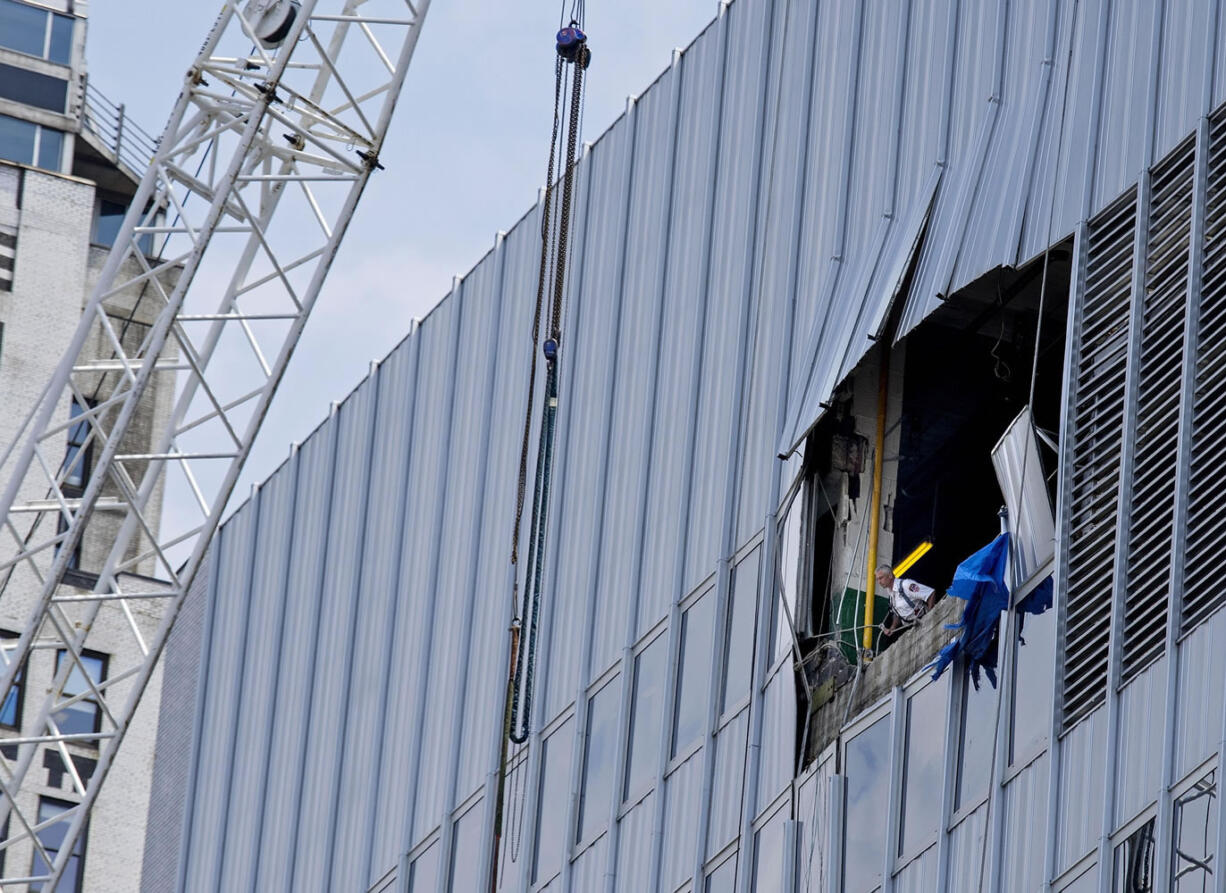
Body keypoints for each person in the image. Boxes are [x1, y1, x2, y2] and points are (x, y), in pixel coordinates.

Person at [876, 564, 939, 638]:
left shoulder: (906, 585)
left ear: (890, 575)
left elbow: (930, 593)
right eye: (877, 579)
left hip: (924, 621)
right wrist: (892, 628)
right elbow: (898, 614)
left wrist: (930, 617)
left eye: (881, 578)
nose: (879, 582)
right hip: (914, 629)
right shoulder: (890, 595)